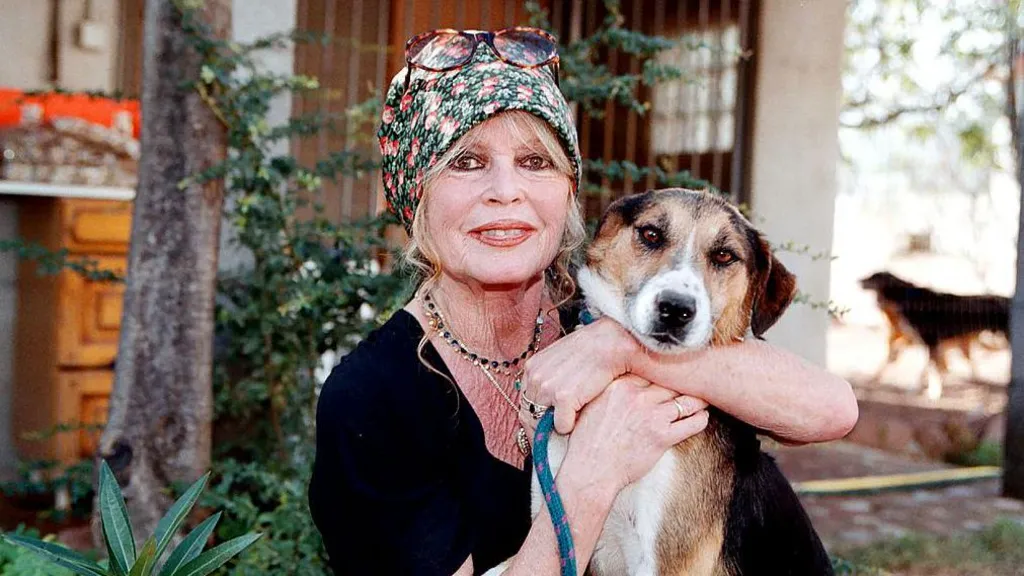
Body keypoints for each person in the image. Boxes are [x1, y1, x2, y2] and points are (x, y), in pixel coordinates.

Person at [308, 27, 858, 576]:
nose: (506, 190)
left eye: (535, 162)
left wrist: (622, 350)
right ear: (415, 196)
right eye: (467, 162)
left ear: (569, 190)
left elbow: (831, 410)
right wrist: (590, 479)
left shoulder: (606, 318)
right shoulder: (372, 399)